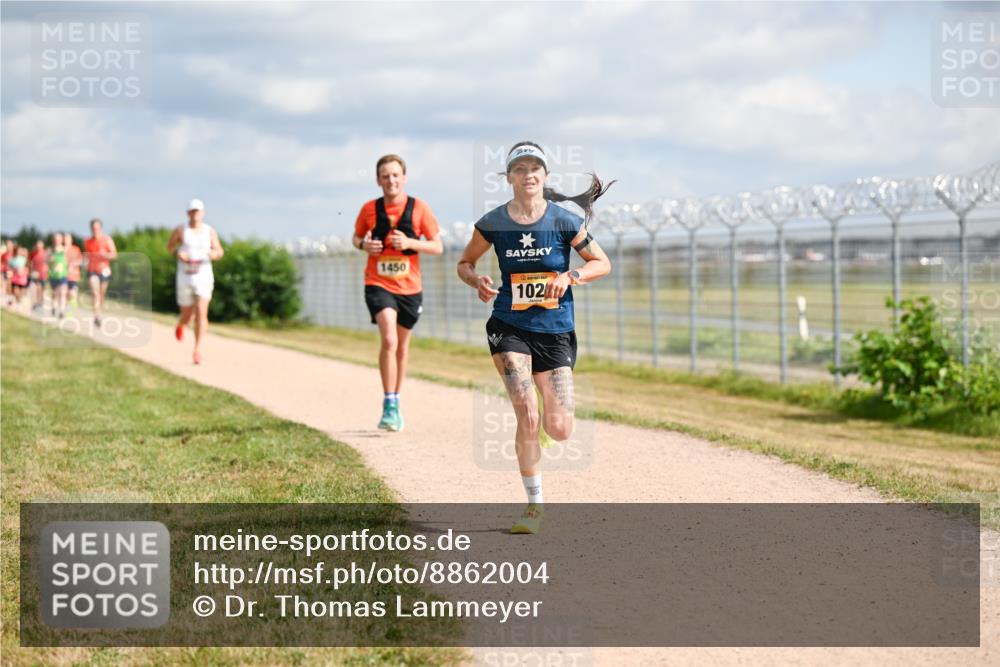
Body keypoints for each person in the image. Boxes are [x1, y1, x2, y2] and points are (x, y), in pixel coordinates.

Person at [456, 141, 613, 534]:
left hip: (555, 330)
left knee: (559, 428)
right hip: (508, 325)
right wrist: (476, 279)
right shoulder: (493, 222)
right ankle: (534, 505)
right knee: (526, 409)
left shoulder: (564, 221)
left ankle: (539, 433)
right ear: (509, 177)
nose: (529, 175)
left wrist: (570, 275)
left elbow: (602, 263)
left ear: (545, 177)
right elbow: (465, 262)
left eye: (535, 169)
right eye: (520, 169)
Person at [351, 154, 442, 432]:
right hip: (378, 283)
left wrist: (409, 241)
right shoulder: (369, 209)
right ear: (378, 180)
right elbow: (356, 237)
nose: (390, 180)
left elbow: (437, 246)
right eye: (385, 176)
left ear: (403, 178)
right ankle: (388, 403)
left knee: (401, 347)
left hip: (410, 288)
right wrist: (364, 246)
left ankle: (396, 400)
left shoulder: (419, 208)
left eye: (395, 175)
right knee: (389, 339)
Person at [167, 199, 224, 365]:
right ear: (188, 213)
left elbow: (219, 251)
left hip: (203, 276)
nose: (195, 214)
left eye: (198, 211)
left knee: (201, 312)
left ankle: (197, 350)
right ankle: (181, 324)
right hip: (185, 276)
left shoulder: (209, 231)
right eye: (192, 211)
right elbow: (169, 248)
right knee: (187, 314)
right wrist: (178, 253)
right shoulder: (180, 230)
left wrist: (214, 254)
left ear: (203, 213)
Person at [84, 218, 117, 327]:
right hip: (92, 270)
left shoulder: (107, 240)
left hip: (104, 270)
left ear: (100, 228)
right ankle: (97, 316)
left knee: (101, 295)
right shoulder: (87, 241)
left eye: (97, 228)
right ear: (91, 229)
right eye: (93, 228)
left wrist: (105, 255)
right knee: (95, 293)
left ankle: (99, 312)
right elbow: (86, 256)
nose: (95, 230)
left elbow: (114, 255)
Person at [48, 232, 69, 318]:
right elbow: (47, 262)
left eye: (59, 238)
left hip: (63, 275)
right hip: (53, 275)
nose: (57, 240)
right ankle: (54, 307)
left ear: (61, 240)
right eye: (56, 239)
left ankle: (62, 311)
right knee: (55, 293)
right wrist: (51, 260)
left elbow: (68, 260)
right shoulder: (50, 250)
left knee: (62, 292)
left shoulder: (65, 250)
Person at [28, 239, 49, 312]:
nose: (38, 246)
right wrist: (31, 271)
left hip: (44, 274)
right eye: (37, 244)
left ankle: (40, 303)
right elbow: (31, 263)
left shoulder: (46, 253)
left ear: (43, 245)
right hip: (36, 274)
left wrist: (47, 270)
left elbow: (48, 263)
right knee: (36, 288)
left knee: (41, 290)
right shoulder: (33, 253)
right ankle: (36, 303)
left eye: (40, 244)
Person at [65, 232, 83, 308]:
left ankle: (71, 308)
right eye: (65, 238)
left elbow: (80, 260)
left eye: (67, 238)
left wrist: (73, 264)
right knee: (64, 293)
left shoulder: (76, 249)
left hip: (73, 276)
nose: (66, 240)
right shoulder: (61, 249)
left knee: (72, 293)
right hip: (63, 275)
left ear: (71, 240)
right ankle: (65, 307)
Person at [1, 239, 13, 306]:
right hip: (5, 271)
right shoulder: (4, 254)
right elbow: (2, 263)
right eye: (8, 244)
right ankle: (8, 299)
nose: (9, 246)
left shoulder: (14, 253)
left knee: (9, 284)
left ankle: (10, 299)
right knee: (6, 285)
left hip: (12, 271)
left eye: (10, 244)